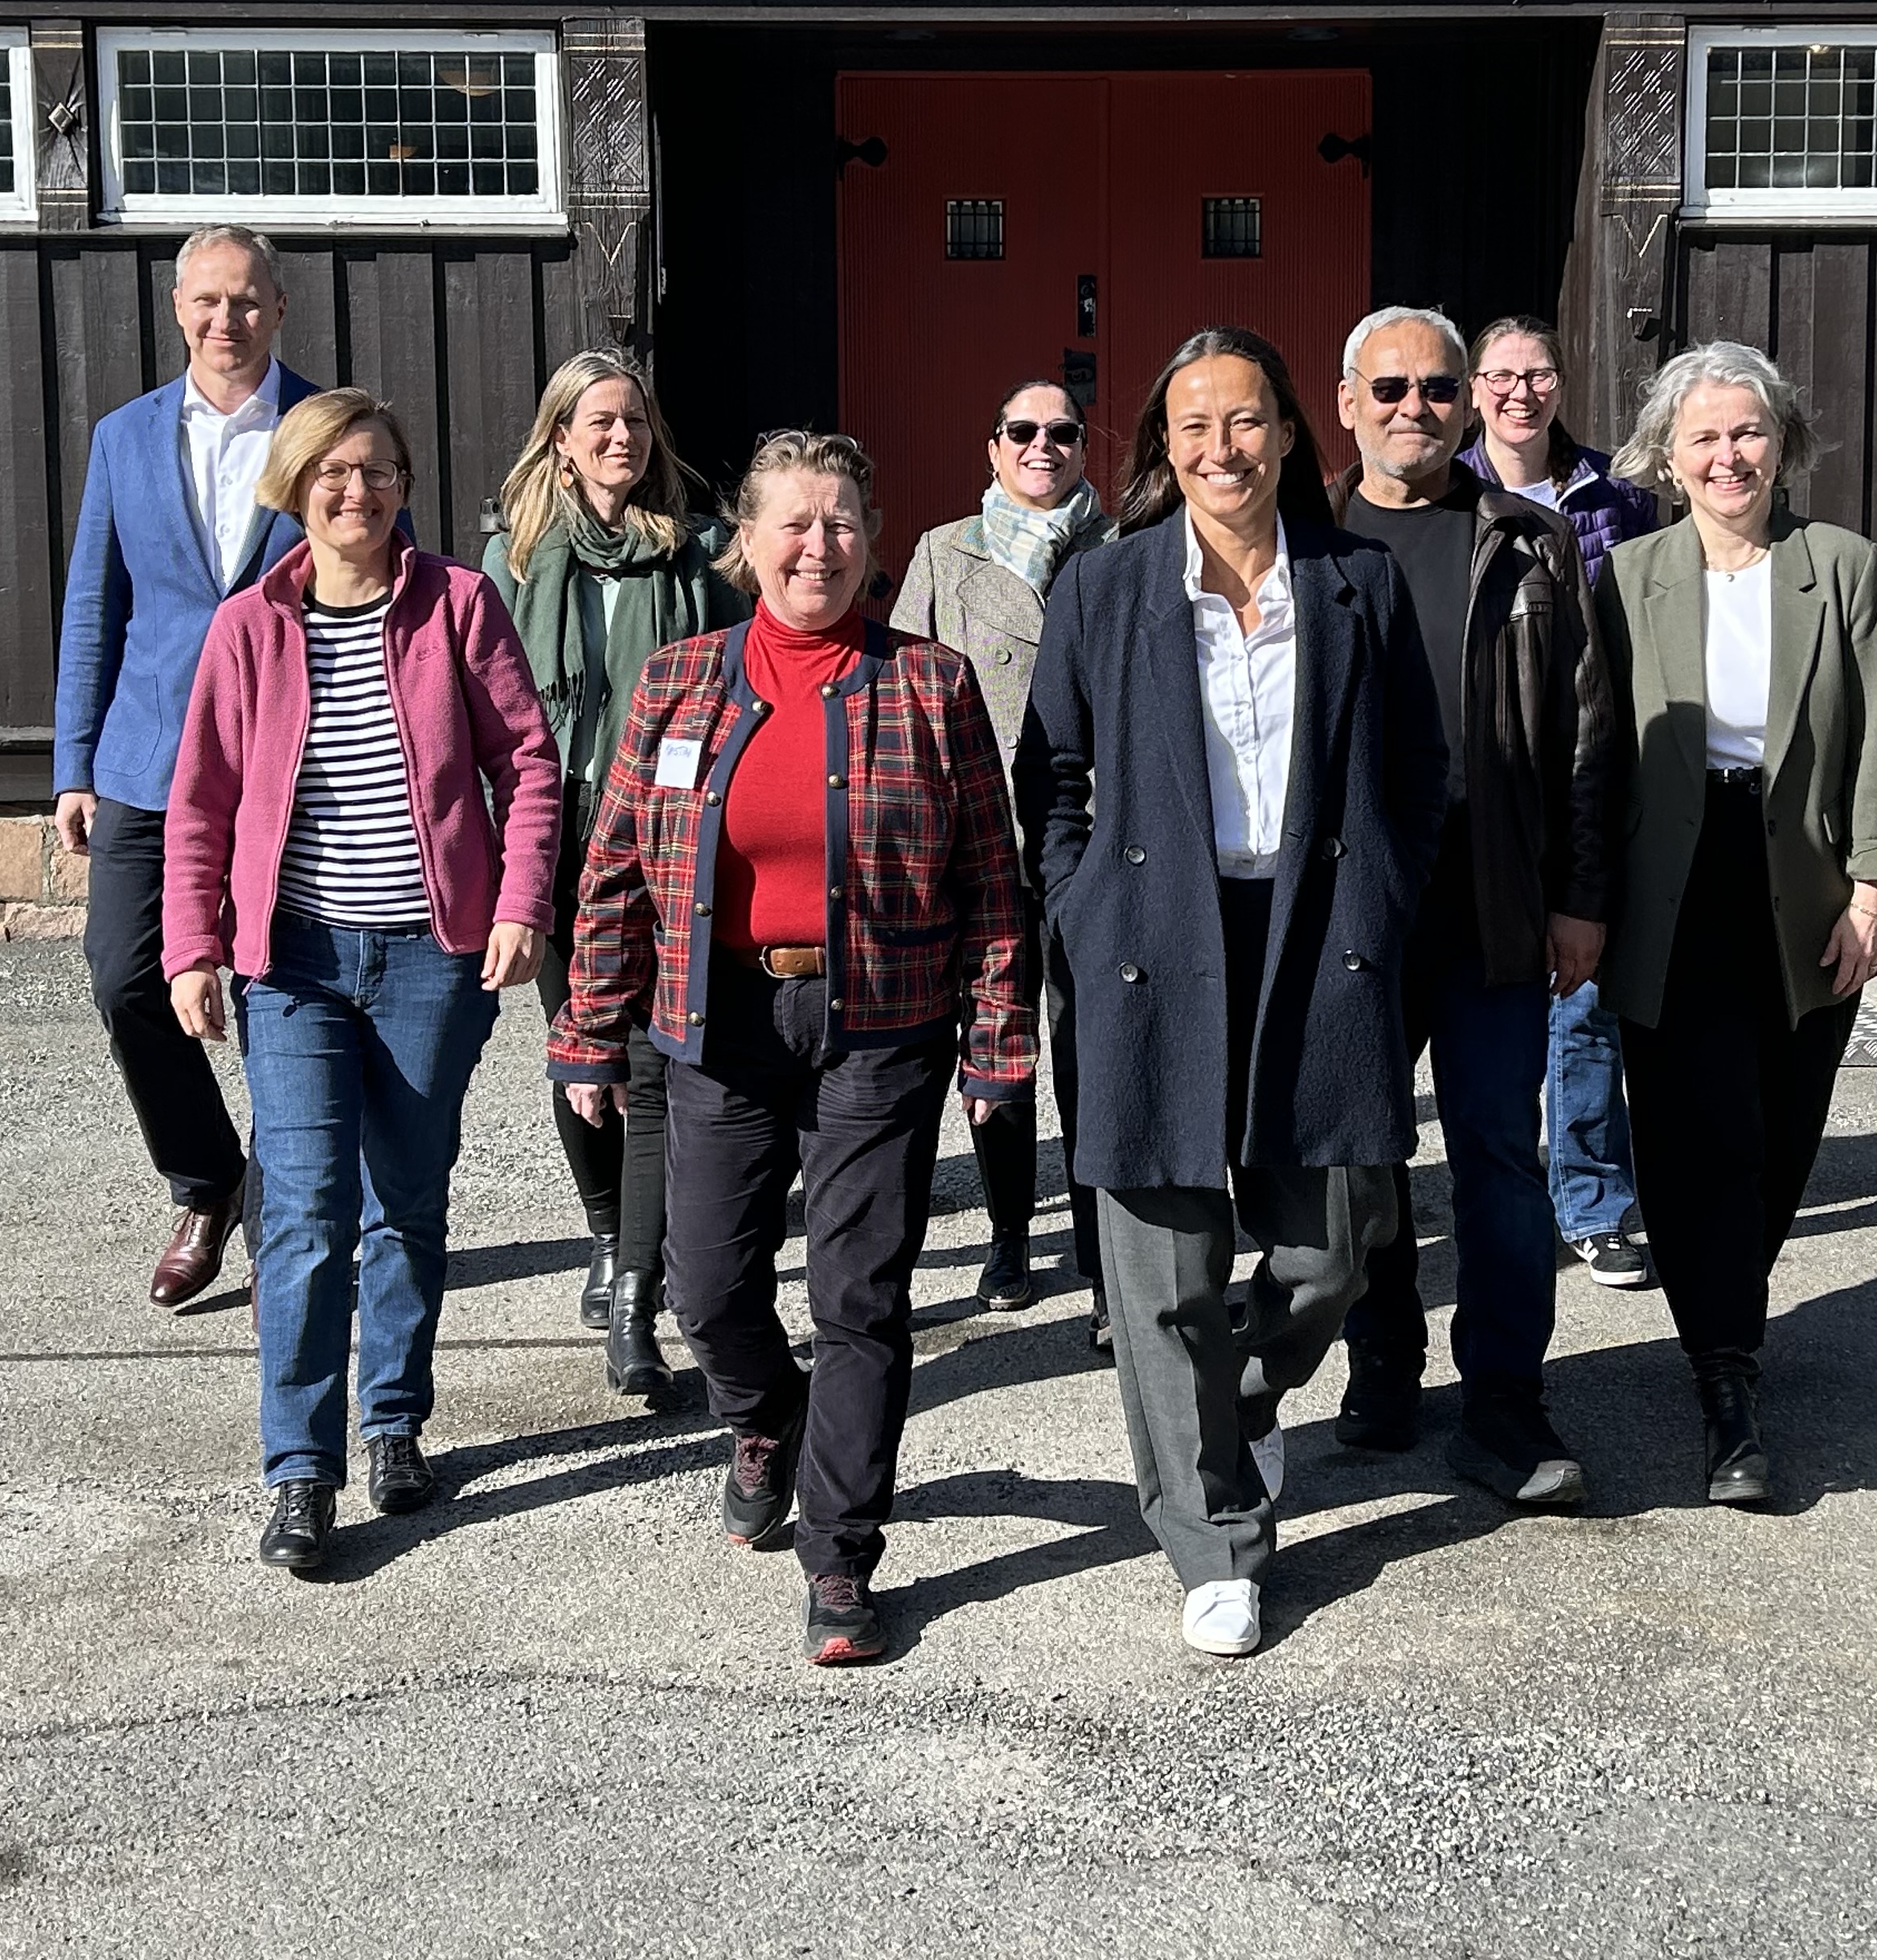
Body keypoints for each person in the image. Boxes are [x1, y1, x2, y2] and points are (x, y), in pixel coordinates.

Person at [549, 429, 1031, 1666]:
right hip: (719, 1027)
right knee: (708, 1287)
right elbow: (614, 874)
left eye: (843, 523)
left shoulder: (930, 686)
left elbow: (992, 879)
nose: (819, 545)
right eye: (795, 523)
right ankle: (766, 1422)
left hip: (881, 1025)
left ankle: (841, 1553)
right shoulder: (676, 683)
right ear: (746, 541)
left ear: (872, 543)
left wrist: (995, 1045)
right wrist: (591, 1031)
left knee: (859, 1297)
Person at [1018, 328, 1446, 1659]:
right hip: (1152, 934)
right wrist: (1083, 909)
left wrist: (1382, 890)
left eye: (1246, 418)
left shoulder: (1358, 580)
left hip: (1321, 935)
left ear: (1287, 434)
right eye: (1193, 423)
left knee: (1331, 1242)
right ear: (1160, 447)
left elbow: (1419, 771)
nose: (1222, 446)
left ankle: (1235, 1393)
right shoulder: (1102, 587)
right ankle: (1213, 1537)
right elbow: (1055, 773)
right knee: (1159, 1269)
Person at [158, 389, 561, 1571]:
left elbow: (527, 766)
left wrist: (523, 903)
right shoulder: (248, 628)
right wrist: (192, 945)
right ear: (294, 486)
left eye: (379, 471)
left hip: (433, 959)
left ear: (404, 486)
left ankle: (393, 1420)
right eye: (332, 472)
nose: (356, 492)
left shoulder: (461, 604)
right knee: (303, 1213)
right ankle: (301, 1467)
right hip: (295, 962)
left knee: (407, 1199)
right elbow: (202, 804)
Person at [1592, 341, 1877, 1507]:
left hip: (1805, 887)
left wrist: (1875, 886)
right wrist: (1582, 901)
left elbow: (1875, 733)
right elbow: (1600, 754)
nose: (1730, 456)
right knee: (1689, 1132)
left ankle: (1727, 1303)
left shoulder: (1843, 567)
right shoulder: (1629, 578)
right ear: (1668, 459)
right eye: (1704, 437)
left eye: (1749, 432)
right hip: (1669, 885)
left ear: (1784, 444)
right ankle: (1725, 1371)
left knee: (1780, 1132)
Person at [1321, 308, 1613, 1505]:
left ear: (1468, 404)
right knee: (1365, 1154)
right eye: (1389, 387)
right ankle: (1382, 1360)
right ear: (1346, 403)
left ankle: (1505, 1400)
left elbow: (1591, 742)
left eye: (1439, 388)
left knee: (1499, 1155)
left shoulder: (1528, 543)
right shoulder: (1303, 540)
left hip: (1490, 905)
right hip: (1351, 917)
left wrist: (1581, 898)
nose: (1415, 407)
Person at [55, 225, 327, 1310]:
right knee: (126, 979)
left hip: (289, 757)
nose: (228, 322)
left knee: (278, 988)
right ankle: (209, 1179)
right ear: (178, 310)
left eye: (249, 302)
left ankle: (287, 1216)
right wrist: (76, 759)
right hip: (149, 754)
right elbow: (95, 605)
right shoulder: (124, 438)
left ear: (281, 307)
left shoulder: (320, 428)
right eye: (209, 303)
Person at [482, 350, 744, 1399]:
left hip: (658, 833)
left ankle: (638, 1282)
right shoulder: (514, 559)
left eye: (635, 420)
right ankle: (603, 1231)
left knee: (644, 1062)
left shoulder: (697, 555)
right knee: (573, 1045)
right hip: (550, 832)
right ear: (560, 437)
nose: (621, 438)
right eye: (599, 422)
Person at [890, 377, 1113, 1326]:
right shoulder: (944, 553)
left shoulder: (1120, 551)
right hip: (977, 845)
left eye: (1062, 431)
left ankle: (1110, 1254)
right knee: (997, 1039)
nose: (1042, 445)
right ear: (992, 446)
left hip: (1096, 839)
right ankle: (1013, 1234)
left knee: (1095, 1050)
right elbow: (897, 697)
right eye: (1021, 429)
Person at [1462, 314, 1665, 1291]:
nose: (1518, 391)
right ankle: (1499, 1195)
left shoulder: (1619, 501)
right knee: (1494, 1002)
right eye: (1500, 375)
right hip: (1496, 773)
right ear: (1474, 390)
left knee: (1582, 996)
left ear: (1560, 383)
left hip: (1588, 761)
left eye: (1535, 373)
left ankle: (1590, 1199)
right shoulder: (1450, 495)